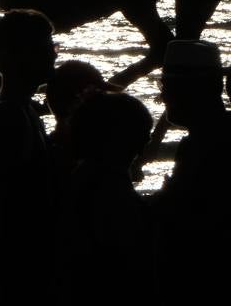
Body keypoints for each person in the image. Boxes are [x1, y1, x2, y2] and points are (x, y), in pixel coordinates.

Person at [154, 40, 231, 306]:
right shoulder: (227, 137)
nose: (163, 97)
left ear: (193, 91)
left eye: (167, 87)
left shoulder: (210, 145)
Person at [0, 9, 58, 305]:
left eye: (51, 47)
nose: (52, 55)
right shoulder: (6, 117)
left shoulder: (22, 111)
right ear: (8, 57)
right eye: (43, 48)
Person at [54, 90, 155, 304]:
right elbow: (127, 253)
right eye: (142, 134)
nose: (146, 143)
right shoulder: (109, 188)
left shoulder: (83, 176)